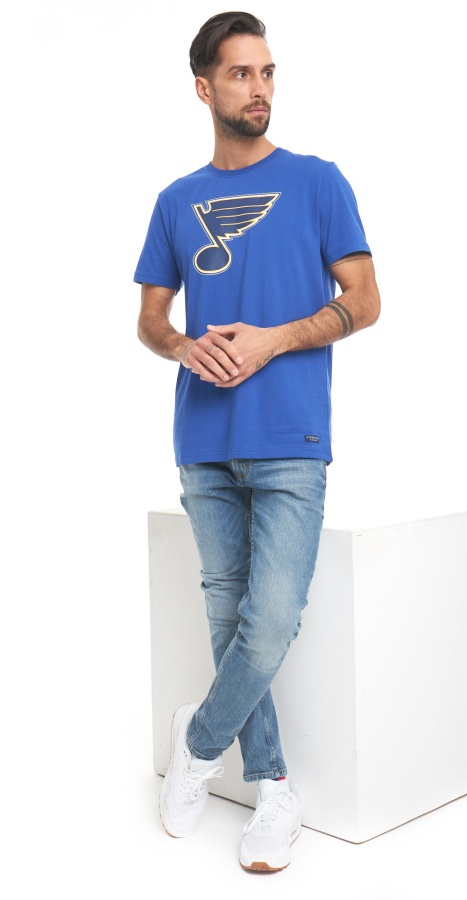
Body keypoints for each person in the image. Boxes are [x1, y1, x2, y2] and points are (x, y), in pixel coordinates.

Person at [134, 10, 380, 872]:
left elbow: (364, 300)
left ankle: (198, 743)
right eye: (241, 74)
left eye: (267, 72)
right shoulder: (176, 201)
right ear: (204, 88)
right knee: (227, 613)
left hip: (290, 435)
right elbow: (151, 319)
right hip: (202, 437)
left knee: (269, 620)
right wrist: (180, 345)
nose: (259, 88)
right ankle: (272, 784)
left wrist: (275, 339)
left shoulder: (317, 182)